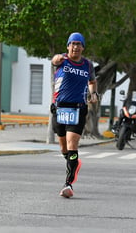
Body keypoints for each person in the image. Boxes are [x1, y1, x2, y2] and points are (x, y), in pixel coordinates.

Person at [51, 32, 98, 198]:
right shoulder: (61, 60)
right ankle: (74, 163)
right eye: (73, 43)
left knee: (72, 144)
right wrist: (57, 58)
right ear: (68, 46)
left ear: (83, 47)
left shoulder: (87, 65)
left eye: (79, 44)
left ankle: (68, 184)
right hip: (59, 108)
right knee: (63, 147)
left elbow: (92, 82)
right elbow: (54, 59)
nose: (75, 47)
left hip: (78, 108)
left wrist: (93, 94)